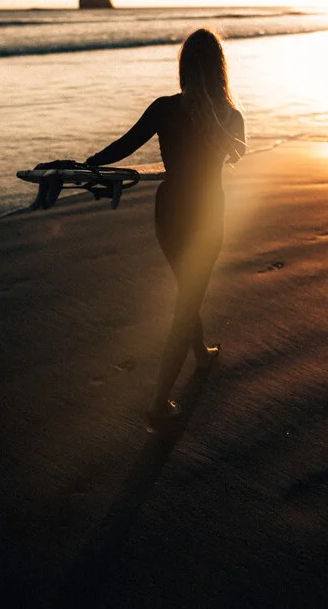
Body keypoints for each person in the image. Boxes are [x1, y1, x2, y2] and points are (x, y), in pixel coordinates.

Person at [85, 28, 246, 429]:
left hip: (169, 212)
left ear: (184, 67)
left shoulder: (164, 107)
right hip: (207, 213)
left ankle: (203, 354)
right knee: (187, 298)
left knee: (186, 290)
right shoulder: (232, 116)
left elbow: (122, 147)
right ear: (220, 68)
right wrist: (215, 124)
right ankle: (159, 402)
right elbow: (239, 153)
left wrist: (89, 163)